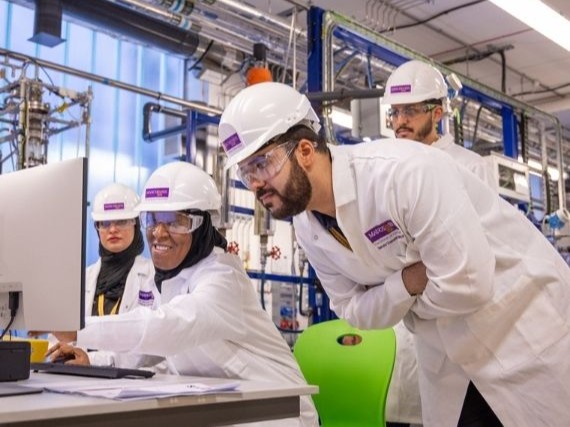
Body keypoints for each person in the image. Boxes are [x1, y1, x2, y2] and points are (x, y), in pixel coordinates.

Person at [217, 81, 570, 427]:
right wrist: (408, 282)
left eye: (263, 164)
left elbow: (470, 284)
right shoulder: (308, 229)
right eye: (246, 172)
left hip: (519, 328)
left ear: (306, 151)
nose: (256, 183)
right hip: (450, 362)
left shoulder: (404, 173)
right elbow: (355, 312)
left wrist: (403, 307)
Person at [48, 161, 318, 427]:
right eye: (151, 220)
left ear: (202, 227)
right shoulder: (166, 279)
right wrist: (92, 360)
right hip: (221, 408)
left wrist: (79, 328)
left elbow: (170, 327)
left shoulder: (223, 277)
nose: (159, 233)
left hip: (275, 411)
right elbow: (149, 352)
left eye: (176, 222)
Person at [382, 59, 496, 189]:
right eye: (395, 112)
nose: (401, 121)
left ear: (436, 113)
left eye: (410, 111)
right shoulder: (390, 167)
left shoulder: (471, 167)